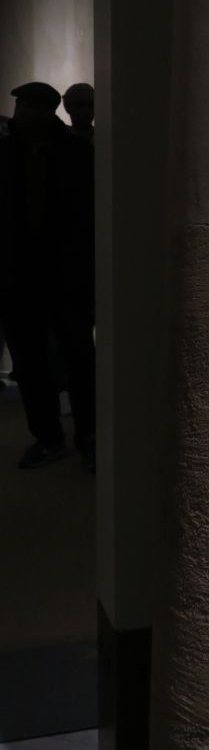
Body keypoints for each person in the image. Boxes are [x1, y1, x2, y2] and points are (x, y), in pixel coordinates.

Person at [0, 81, 96, 471]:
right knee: (31, 362)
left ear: (47, 110)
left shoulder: (75, 155)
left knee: (78, 359)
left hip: (64, 277)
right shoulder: (7, 154)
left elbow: (86, 219)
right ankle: (48, 436)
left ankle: (88, 435)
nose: (23, 113)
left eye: (30, 106)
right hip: (20, 278)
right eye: (21, 106)